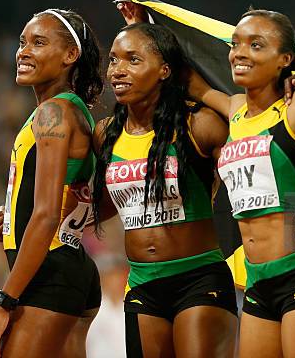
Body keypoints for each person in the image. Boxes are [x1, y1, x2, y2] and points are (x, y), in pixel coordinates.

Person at [174, 6, 295, 356]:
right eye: (235, 44)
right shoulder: (234, 110)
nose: (239, 53)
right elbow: (191, 82)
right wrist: (146, 21)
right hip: (259, 281)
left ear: (284, 59)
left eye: (256, 45)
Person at [92, 21, 238, 357]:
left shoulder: (198, 124)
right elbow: (99, 207)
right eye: (113, 60)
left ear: (164, 70)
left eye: (133, 59)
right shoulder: (105, 134)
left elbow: (252, 143)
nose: (117, 70)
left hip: (199, 279)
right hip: (143, 283)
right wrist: (17, 215)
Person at [0, 8, 103, 358]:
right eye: (22, 43)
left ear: (69, 55)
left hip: (50, 276)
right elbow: (71, 198)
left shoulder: (53, 114)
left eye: (38, 42)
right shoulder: (72, 111)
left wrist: (3, 304)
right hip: (69, 271)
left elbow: (47, 215)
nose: (24, 51)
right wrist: (14, 215)